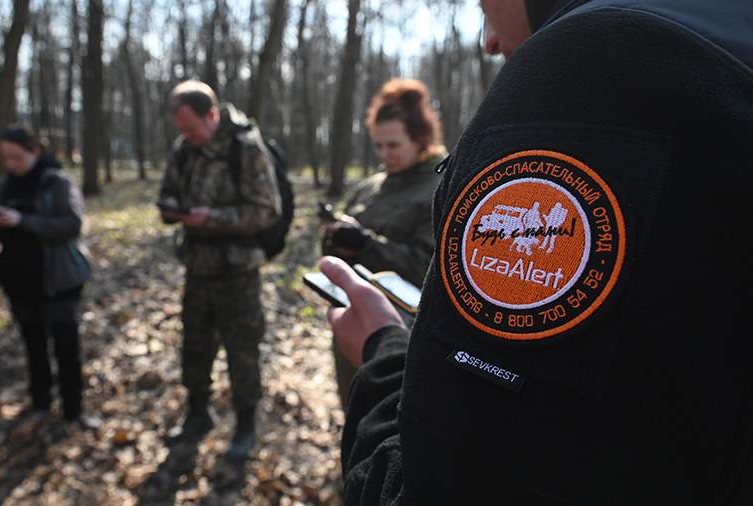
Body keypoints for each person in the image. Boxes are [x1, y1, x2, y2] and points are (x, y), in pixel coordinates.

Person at [327, 0, 753, 504]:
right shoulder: (726, 38)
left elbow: (454, 483)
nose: (486, 39)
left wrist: (383, 354)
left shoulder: (591, 62)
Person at [158, 80, 281, 462]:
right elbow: (167, 193)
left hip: (238, 271)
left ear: (211, 115)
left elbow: (266, 210)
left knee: (242, 350)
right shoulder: (184, 150)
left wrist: (211, 217)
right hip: (197, 267)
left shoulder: (244, 149)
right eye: (182, 130)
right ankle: (198, 414)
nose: (188, 137)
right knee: (194, 346)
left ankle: (245, 425)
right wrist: (173, 210)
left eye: (193, 128)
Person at [321, 78, 444, 410]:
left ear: (420, 139)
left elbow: (428, 266)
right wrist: (337, 236)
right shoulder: (371, 186)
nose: (383, 154)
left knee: (390, 417)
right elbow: (339, 249)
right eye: (378, 145)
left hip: (402, 334)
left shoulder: (440, 187)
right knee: (353, 409)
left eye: (393, 145)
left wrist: (365, 245)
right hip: (353, 320)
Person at [0, 126, 98, 431]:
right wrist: (2, 223)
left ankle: (73, 410)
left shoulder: (58, 182)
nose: (12, 164)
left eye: (18, 157)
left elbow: (71, 225)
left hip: (59, 279)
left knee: (66, 347)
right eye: (6, 158)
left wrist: (24, 221)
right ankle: (40, 403)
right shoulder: (5, 185)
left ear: (35, 151)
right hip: (19, 280)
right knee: (33, 345)